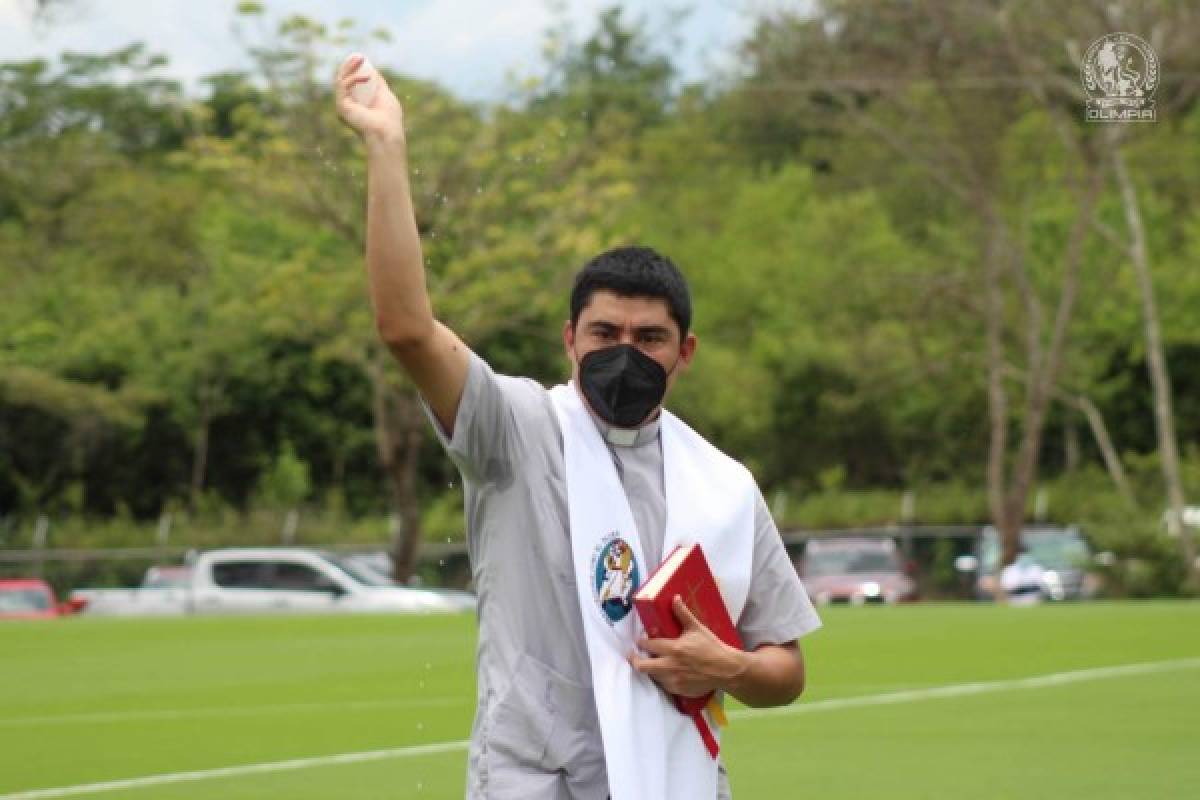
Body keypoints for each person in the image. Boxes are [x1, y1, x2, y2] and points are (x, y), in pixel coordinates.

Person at [334, 54, 821, 800]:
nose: (624, 354)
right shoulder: (517, 431)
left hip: (681, 780)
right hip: (538, 784)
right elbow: (406, 328)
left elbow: (784, 668)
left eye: (649, 338)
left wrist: (730, 669)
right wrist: (386, 146)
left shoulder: (723, 484)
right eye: (604, 333)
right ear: (569, 340)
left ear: (684, 352)